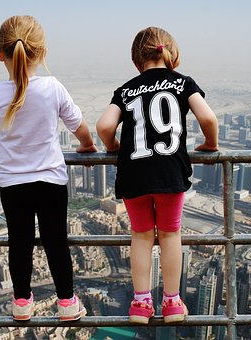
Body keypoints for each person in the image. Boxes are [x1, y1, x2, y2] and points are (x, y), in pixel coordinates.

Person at [96, 26, 218, 324]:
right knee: (170, 233)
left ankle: (140, 303)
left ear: (137, 60)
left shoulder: (125, 90)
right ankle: (173, 303)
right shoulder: (183, 83)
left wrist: (114, 146)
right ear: (171, 53)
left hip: (133, 173)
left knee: (140, 235)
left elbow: (103, 127)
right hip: (169, 172)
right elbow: (208, 118)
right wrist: (210, 145)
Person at [0, 15, 97, 321]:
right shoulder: (53, 87)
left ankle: (21, 303)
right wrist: (86, 145)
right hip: (50, 181)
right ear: (42, 52)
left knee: (19, 242)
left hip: (12, 183)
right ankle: (67, 303)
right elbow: (78, 125)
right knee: (56, 241)